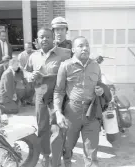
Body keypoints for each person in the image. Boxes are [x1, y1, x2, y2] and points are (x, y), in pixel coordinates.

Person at [54, 36, 111, 167]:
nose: (85, 48)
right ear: (73, 49)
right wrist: (58, 113)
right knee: (67, 147)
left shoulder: (95, 66)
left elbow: (99, 84)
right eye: (80, 46)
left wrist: (100, 91)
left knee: (91, 153)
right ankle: (67, 162)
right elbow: (59, 91)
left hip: (92, 112)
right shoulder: (66, 66)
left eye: (87, 45)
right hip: (72, 112)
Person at [24, 28, 71, 167]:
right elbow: (26, 70)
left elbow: (76, 66)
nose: (44, 39)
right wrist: (29, 76)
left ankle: (64, 156)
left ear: (53, 39)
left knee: (58, 128)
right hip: (40, 97)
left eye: (47, 37)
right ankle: (46, 155)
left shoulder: (65, 54)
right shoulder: (33, 56)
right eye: (41, 37)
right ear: (37, 40)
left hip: (58, 98)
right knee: (42, 127)